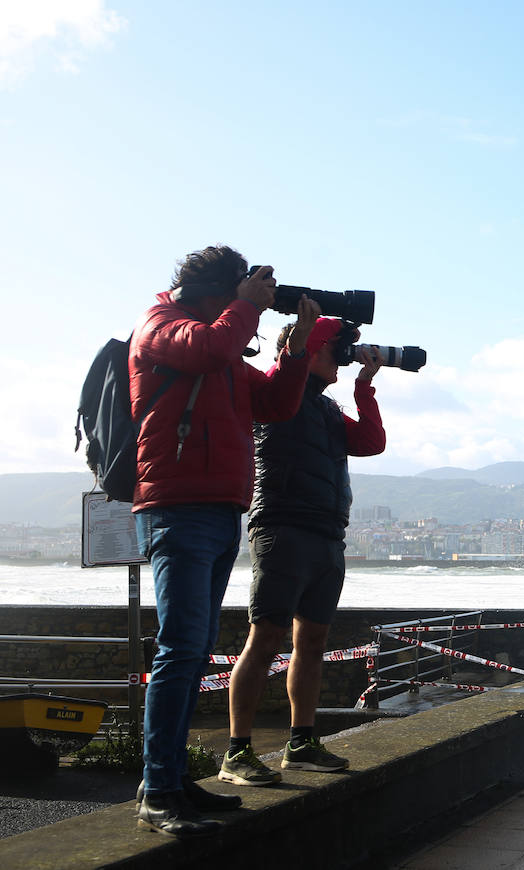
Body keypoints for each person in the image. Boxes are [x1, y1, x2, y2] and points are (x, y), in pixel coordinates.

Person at [130, 245, 320, 837]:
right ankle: (158, 790)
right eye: (242, 291)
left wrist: (296, 346)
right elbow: (208, 347)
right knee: (181, 648)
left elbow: (277, 405)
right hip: (177, 505)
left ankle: (173, 780)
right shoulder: (161, 325)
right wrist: (244, 308)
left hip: (218, 507)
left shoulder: (223, 348)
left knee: (195, 647)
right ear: (217, 291)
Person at [218, 317, 386, 787]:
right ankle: (237, 752)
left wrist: (365, 387)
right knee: (265, 639)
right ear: (309, 350)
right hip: (283, 528)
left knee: (310, 645)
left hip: (327, 534)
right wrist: (303, 344)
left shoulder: (327, 409)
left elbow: (371, 443)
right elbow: (282, 380)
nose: (343, 358)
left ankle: (301, 742)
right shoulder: (276, 393)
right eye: (337, 349)